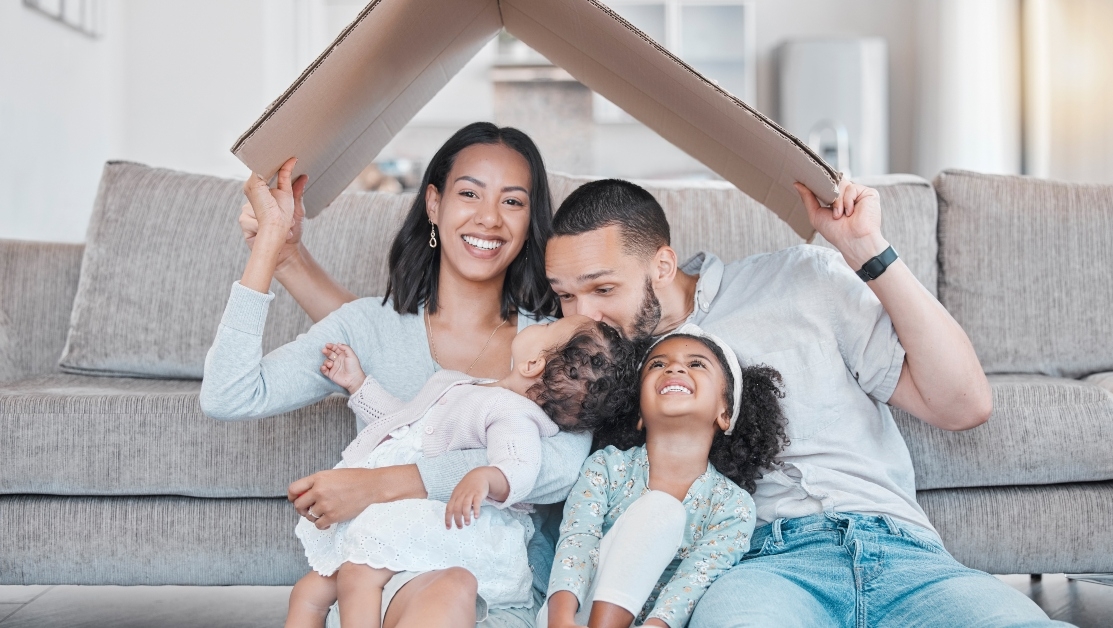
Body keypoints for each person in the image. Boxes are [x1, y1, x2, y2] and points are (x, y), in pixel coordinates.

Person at [541, 179, 1069, 627]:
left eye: (602, 289)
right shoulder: (599, 372)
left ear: (662, 265)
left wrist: (868, 250)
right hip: (759, 565)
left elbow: (964, 404)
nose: (582, 316)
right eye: (565, 295)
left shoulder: (800, 279)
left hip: (902, 551)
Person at [201, 122, 590, 628]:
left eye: (512, 201)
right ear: (434, 203)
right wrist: (268, 251)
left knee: (452, 590)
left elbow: (560, 469)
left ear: (530, 219)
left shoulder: (554, 341)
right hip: (380, 592)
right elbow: (229, 395)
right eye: (469, 193)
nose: (490, 217)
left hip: (499, 600)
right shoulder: (369, 325)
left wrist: (381, 484)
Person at [285, 314, 634, 628]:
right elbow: (407, 425)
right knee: (308, 590)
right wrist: (359, 386)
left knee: (358, 573)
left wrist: (487, 477)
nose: (539, 321)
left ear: (532, 364)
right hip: (414, 517)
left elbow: (520, 466)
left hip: (456, 523)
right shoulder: (473, 388)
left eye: (547, 326)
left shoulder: (513, 413)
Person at [540, 326, 788, 628]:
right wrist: (560, 620)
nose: (674, 367)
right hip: (572, 616)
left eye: (696, 364)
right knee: (661, 508)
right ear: (639, 414)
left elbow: (692, 584)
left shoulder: (732, 506)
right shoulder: (606, 467)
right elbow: (577, 540)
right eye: (657, 364)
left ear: (725, 413)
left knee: (663, 511)